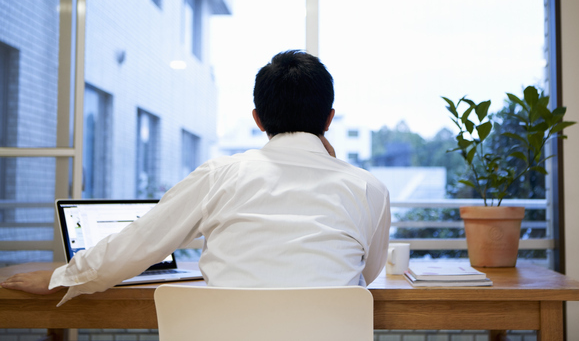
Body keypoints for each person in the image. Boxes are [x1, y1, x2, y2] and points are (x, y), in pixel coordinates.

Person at [1, 50, 390, 305]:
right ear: (329, 119)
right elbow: (366, 272)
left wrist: (62, 277)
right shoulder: (367, 187)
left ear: (257, 119)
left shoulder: (220, 176)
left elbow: (138, 243)